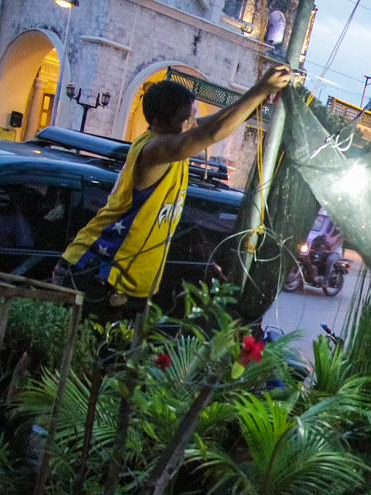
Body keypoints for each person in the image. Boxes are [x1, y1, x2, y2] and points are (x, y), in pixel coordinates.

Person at [52, 64, 292, 320]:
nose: (192, 124)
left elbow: (212, 124)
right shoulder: (155, 151)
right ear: (157, 123)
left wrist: (258, 101)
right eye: (185, 119)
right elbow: (210, 132)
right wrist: (260, 89)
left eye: (193, 116)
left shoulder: (175, 137)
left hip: (125, 286)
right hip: (95, 273)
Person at [306, 210, 343, 286]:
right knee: (314, 256)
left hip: (335, 253)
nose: (336, 228)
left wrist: (330, 249)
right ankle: (314, 274)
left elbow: (334, 247)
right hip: (325, 250)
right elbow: (321, 239)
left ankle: (326, 281)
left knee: (330, 259)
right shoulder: (328, 231)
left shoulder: (340, 237)